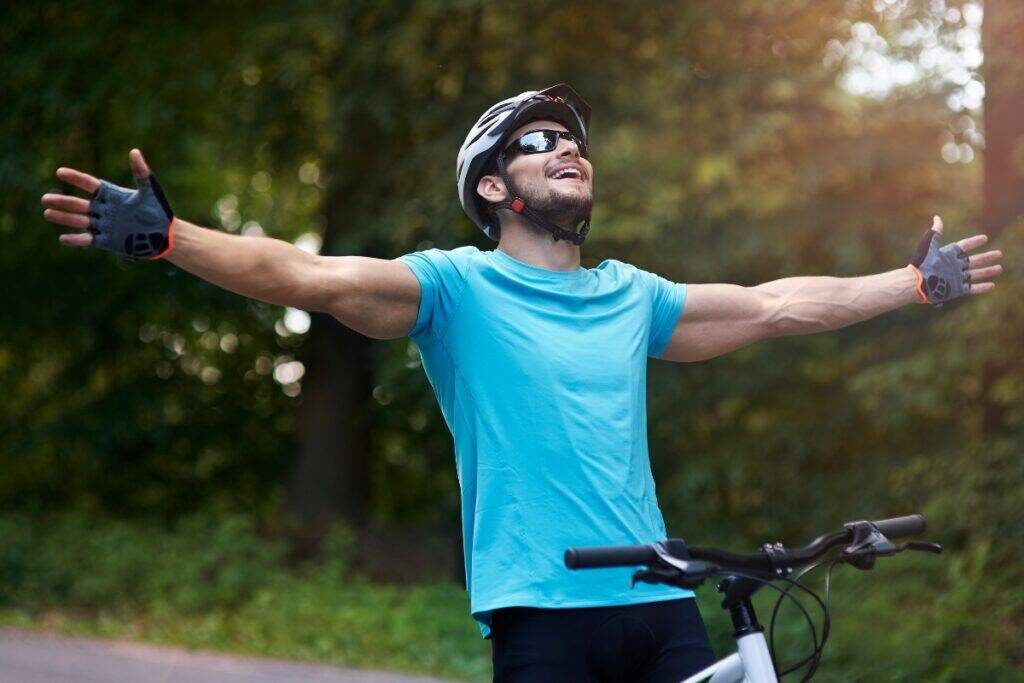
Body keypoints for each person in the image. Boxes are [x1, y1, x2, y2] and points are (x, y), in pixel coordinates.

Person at [42, 83, 1003, 682]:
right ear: (495, 189)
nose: (568, 148)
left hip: (661, 600)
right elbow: (311, 277)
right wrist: (171, 238)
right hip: (541, 611)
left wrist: (913, 282)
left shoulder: (632, 295)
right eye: (540, 142)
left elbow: (774, 303)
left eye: (572, 139)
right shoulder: (454, 288)